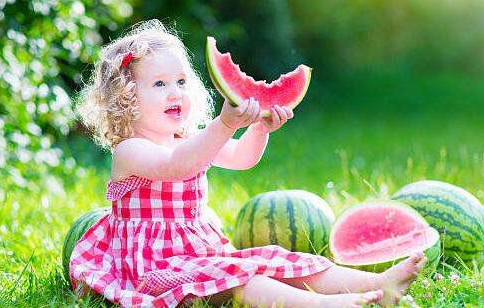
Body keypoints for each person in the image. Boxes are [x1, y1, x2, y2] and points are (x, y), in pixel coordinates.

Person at [71, 19, 426, 308]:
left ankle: (378, 284)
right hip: (151, 269)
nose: (175, 92)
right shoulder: (130, 150)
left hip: (198, 254)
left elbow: (242, 159)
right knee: (246, 281)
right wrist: (224, 124)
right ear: (127, 98)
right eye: (160, 84)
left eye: (180, 81)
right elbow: (177, 166)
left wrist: (258, 128)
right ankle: (325, 306)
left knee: (276, 260)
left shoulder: (186, 140)